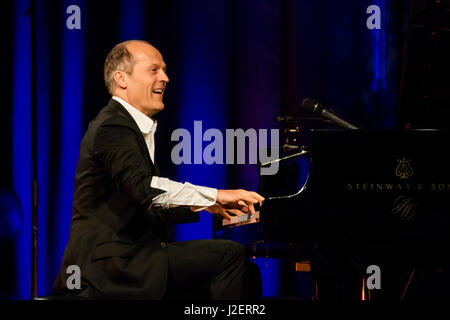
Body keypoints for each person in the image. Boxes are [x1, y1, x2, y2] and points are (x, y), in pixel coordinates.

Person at [53, 40, 264, 300]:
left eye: (164, 70)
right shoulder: (113, 127)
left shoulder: (126, 124)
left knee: (246, 271)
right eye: (153, 70)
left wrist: (206, 207)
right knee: (230, 256)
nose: (165, 77)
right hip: (111, 268)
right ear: (122, 78)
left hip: (131, 259)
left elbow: (141, 204)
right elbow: (146, 191)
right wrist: (216, 195)